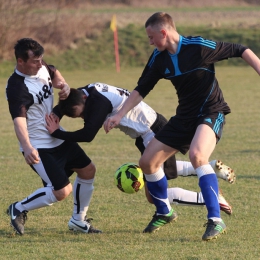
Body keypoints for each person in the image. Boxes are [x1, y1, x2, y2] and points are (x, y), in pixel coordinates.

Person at [103, 12, 260, 240]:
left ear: (164, 32)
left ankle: (215, 220)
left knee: (198, 156)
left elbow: (240, 48)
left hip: (210, 111)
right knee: (147, 162)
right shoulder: (159, 58)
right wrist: (119, 115)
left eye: (151, 37)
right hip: (184, 117)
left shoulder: (198, 47)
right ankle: (164, 212)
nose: (150, 42)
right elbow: (141, 88)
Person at [45, 83, 234, 216]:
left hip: (152, 133)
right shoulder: (86, 92)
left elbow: (88, 135)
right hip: (150, 130)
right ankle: (208, 168)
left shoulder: (98, 103)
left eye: (83, 113)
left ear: (85, 99)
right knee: (160, 180)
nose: (86, 116)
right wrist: (56, 113)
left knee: (154, 196)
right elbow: (71, 102)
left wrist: (57, 133)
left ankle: (210, 198)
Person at [5, 38, 102, 235]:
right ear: (20, 61)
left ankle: (78, 221)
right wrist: (27, 146)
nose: (40, 64)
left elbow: (53, 71)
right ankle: (19, 208)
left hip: (57, 135)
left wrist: (63, 85)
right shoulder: (17, 87)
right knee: (61, 191)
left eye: (41, 59)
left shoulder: (40, 67)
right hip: (38, 145)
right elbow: (19, 121)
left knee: (88, 170)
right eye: (35, 61)